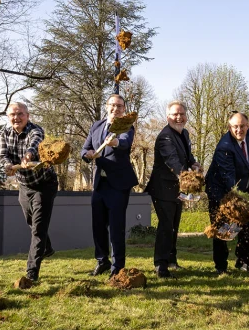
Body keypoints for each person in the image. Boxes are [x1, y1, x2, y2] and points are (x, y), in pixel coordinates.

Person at [0, 102, 58, 282]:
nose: (16, 118)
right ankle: (46, 248)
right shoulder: (4, 133)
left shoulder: (36, 130)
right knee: (31, 221)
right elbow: (2, 155)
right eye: (12, 115)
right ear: (8, 117)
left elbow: (35, 143)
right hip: (24, 185)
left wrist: (28, 156)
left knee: (38, 228)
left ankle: (32, 273)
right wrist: (7, 166)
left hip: (44, 184)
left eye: (20, 114)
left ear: (27, 115)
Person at [81, 94, 138, 277]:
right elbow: (85, 148)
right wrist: (87, 154)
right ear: (107, 106)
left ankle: (117, 268)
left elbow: (125, 142)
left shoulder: (125, 126)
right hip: (100, 183)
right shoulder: (96, 126)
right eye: (113, 105)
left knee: (116, 227)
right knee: (98, 225)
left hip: (119, 184)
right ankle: (102, 261)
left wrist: (115, 142)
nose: (116, 109)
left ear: (124, 109)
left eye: (120, 106)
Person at [205, 112, 249, 274]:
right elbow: (229, 178)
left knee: (248, 225)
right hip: (220, 190)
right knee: (221, 227)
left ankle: (243, 261)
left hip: (243, 187)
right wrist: (240, 201)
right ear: (229, 127)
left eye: (242, 126)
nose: (239, 130)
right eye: (235, 127)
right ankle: (221, 266)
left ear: (248, 126)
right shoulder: (224, 147)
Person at [145, 101, 201, 278]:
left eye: (182, 114)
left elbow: (186, 155)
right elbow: (172, 160)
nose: (179, 117)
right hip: (163, 188)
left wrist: (193, 163)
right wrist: (187, 177)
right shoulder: (165, 137)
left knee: (174, 225)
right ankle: (160, 265)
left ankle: (171, 260)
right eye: (175, 114)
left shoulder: (184, 133)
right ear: (167, 116)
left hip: (177, 188)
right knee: (166, 225)